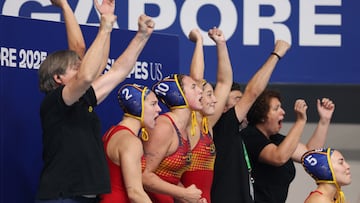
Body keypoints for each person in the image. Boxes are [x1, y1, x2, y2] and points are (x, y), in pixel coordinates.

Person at [36, 0, 155, 199]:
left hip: (86, 197)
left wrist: (142, 36)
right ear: (58, 78)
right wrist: (104, 28)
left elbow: (118, 70)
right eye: (76, 67)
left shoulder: (84, 101)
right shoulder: (55, 102)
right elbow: (86, 76)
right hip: (62, 196)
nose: (81, 70)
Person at [211, 40, 290, 203]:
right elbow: (252, 92)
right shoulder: (222, 126)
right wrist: (276, 55)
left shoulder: (241, 133)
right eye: (236, 99)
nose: (243, 104)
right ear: (222, 107)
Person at [241, 89, 335, 203]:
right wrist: (300, 121)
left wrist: (324, 120)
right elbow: (278, 157)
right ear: (262, 116)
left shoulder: (276, 138)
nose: (283, 112)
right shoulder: (250, 136)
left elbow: (309, 153)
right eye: (276, 109)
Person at [180, 27, 232, 203]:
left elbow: (225, 83)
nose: (215, 100)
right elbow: (196, 80)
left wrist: (221, 45)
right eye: (209, 94)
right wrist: (199, 43)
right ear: (197, 96)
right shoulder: (190, 124)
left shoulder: (206, 125)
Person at [142, 74, 206, 203]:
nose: (200, 91)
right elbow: (143, 176)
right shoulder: (163, 127)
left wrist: (191, 200)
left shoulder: (182, 128)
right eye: (193, 87)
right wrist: (184, 194)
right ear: (178, 94)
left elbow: (169, 177)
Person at [100, 84, 161, 203]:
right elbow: (135, 193)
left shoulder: (111, 133)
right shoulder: (131, 142)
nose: (158, 109)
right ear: (137, 107)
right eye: (153, 104)